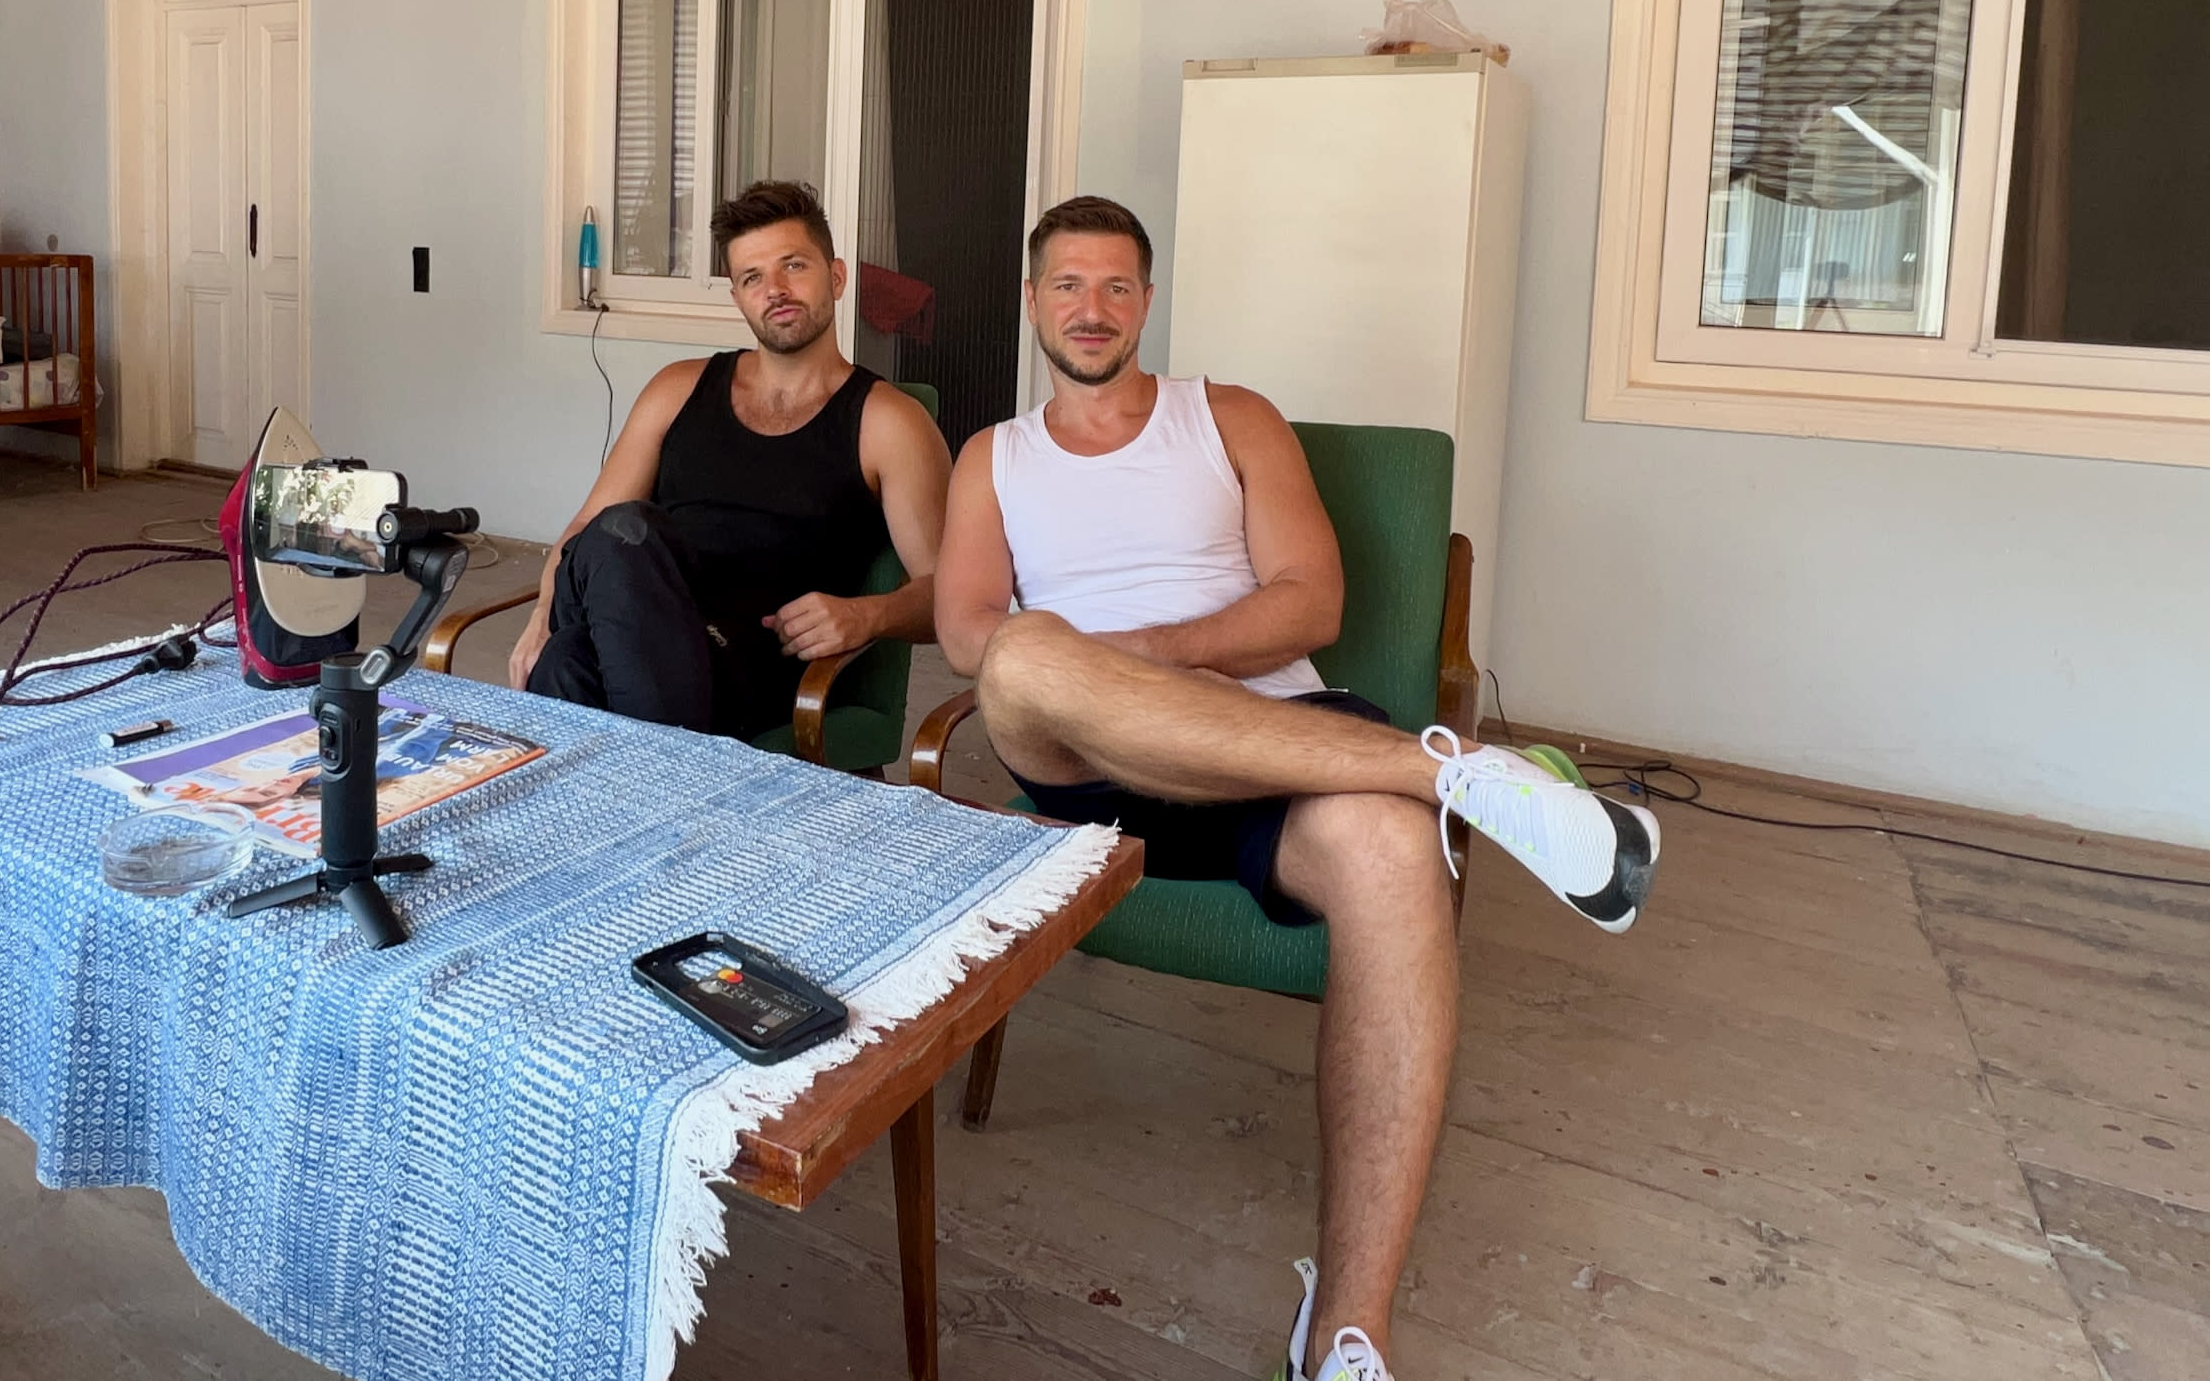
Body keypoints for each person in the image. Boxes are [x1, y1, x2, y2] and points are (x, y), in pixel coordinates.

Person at [933, 196, 1661, 1381]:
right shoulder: (993, 456)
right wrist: (1096, 677)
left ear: (1148, 302)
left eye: (1118, 286)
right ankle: (1462, 772)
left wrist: (1149, 658)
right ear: (1032, 302)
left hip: (1279, 742)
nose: (1092, 308)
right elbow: (969, 635)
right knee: (1023, 656)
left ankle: (1347, 1333)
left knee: (1389, 857)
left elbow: (1308, 604)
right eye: (1068, 285)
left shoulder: (1229, 417)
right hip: (1089, 768)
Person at [509, 181, 952, 738]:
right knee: (619, 535)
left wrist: (867, 614)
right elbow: (585, 532)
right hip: (641, 632)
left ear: (837, 277)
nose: (775, 290)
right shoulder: (678, 388)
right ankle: (673, 785)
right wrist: (538, 616)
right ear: (738, 297)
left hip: (747, 666)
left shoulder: (888, 422)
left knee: (567, 660)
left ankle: (638, 791)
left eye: (794, 266)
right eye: (752, 277)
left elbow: (946, 593)